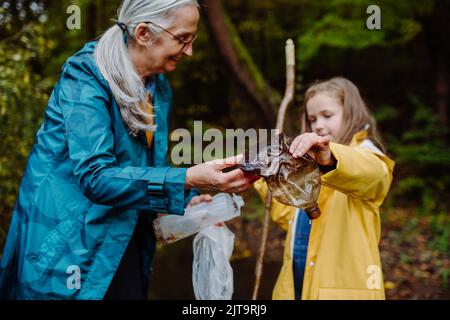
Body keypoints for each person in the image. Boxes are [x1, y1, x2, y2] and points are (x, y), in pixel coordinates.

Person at [0, 0, 257, 300]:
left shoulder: (158, 88)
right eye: (182, 38)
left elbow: (142, 166)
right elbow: (96, 177)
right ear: (144, 33)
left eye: (192, 39)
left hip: (126, 239)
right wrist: (186, 178)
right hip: (67, 248)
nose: (189, 51)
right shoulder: (84, 78)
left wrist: (188, 199)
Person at [254, 77, 395, 300]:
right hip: (296, 288)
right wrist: (264, 179)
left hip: (341, 291)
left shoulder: (364, 155)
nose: (318, 124)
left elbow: (373, 175)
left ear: (351, 113)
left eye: (327, 115)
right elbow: (290, 218)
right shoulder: (309, 167)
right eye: (312, 119)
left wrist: (330, 159)